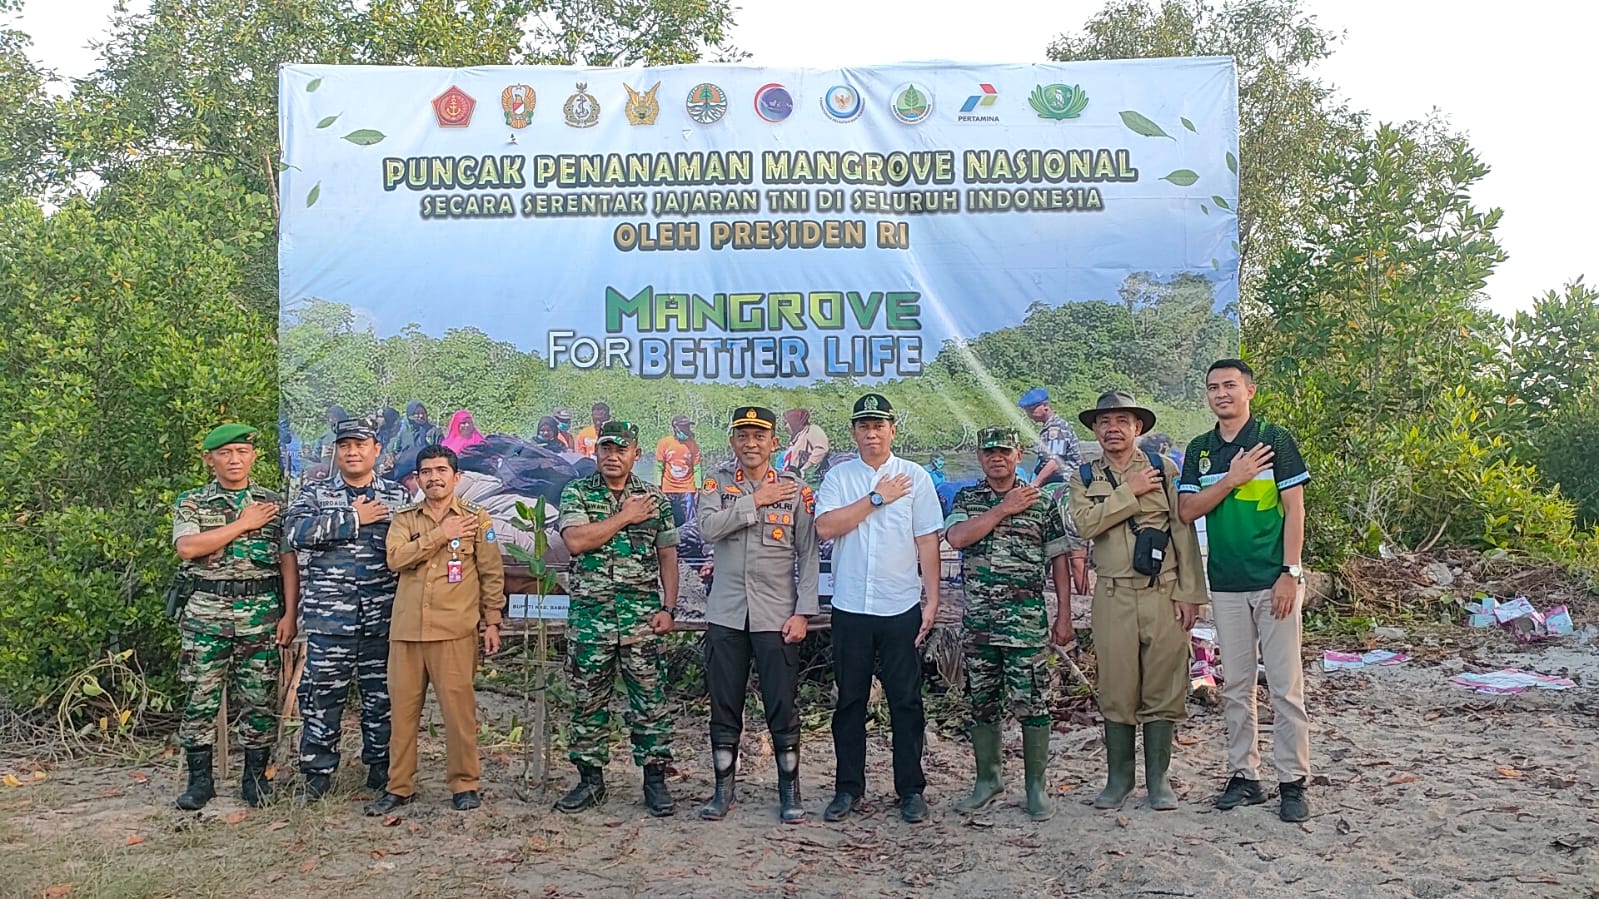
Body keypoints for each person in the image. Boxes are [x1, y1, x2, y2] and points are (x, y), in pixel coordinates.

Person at [1177, 359, 1312, 823]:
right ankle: (1245, 776)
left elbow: (1295, 511)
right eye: (1213, 386)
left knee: (1284, 687)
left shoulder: (1274, 441)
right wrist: (1232, 479)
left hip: (1272, 581)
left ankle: (1293, 782)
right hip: (1227, 585)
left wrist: (1290, 573)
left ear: (1250, 390)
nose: (1221, 393)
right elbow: (1187, 510)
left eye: (1230, 385)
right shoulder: (1200, 450)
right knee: (1235, 686)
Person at [1067, 391, 1205, 812]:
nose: (1113, 428)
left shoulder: (1163, 469)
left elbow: (1181, 530)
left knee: (1165, 681)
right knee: (1117, 685)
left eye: (1122, 421)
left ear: (1137, 428)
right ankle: (1119, 779)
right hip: (1112, 594)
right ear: (1094, 429)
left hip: (1163, 593)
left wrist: (1190, 593)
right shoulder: (1085, 476)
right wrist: (1127, 490)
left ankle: (1158, 780)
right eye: (1105, 421)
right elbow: (1086, 524)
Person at [944, 427, 1086, 822]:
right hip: (980, 625)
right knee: (982, 704)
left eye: (1004, 451)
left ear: (1018, 454)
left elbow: (1059, 558)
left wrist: (1063, 614)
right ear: (980, 456)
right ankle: (988, 780)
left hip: (1025, 625)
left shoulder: (1041, 503)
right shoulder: (967, 498)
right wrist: (1003, 509)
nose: (996, 458)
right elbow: (956, 537)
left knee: (1032, 703)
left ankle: (1035, 788)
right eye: (989, 452)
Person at [815, 394, 942, 824]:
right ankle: (848, 788)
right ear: (853, 431)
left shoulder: (915, 476)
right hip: (851, 606)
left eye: (879, 426)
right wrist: (875, 498)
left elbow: (927, 539)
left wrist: (933, 598)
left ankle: (910, 789)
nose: (871, 433)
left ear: (892, 430)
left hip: (900, 605)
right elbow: (826, 527)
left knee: (905, 701)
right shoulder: (839, 476)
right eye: (864, 426)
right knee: (849, 701)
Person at [695, 406, 819, 824]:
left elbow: (808, 553)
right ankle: (722, 790)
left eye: (759, 436)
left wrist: (804, 612)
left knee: (781, 706)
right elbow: (709, 530)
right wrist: (754, 501)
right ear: (732, 441)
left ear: (774, 443)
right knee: (724, 705)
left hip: (776, 615)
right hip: (727, 613)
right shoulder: (717, 483)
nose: (751, 444)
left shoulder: (795, 489)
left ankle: (789, 790)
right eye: (742, 436)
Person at [367, 445, 506, 816]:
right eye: (426, 471)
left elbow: (492, 574)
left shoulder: (478, 519)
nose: (434, 477)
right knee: (402, 714)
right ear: (417, 478)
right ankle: (399, 786)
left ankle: (464, 784)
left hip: (454, 630)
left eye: (442, 470)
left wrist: (491, 620)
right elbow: (395, 559)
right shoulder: (405, 518)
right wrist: (440, 534)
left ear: (456, 477)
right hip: (407, 632)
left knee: (459, 714)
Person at [554, 420, 681, 817]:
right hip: (591, 621)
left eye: (621, 449)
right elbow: (575, 541)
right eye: (606, 449)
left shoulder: (655, 499)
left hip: (642, 620)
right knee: (588, 703)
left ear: (635, 454)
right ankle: (591, 781)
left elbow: (668, 556)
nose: (612, 456)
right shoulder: (577, 492)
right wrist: (624, 517)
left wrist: (669, 608)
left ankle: (655, 782)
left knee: (650, 703)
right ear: (596, 453)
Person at [170, 423, 300, 810]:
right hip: (206, 617)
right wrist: (243, 523)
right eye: (225, 453)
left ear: (253, 456)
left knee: (259, 701)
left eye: (242, 452)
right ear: (210, 459)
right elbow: (188, 547)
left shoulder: (272, 503)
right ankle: (200, 782)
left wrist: (290, 614)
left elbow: (287, 562)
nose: (234, 460)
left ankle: (255, 780)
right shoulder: (192, 502)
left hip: (260, 615)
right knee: (200, 699)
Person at [286, 418, 413, 799]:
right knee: (322, 695)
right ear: (335, 451)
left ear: (377, 450)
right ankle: (318, 772)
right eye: (345, 446)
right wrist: (353, 518)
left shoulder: (397, 498)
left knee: (382, 696)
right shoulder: (315, 493)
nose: (352, 452)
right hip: (330, 618)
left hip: (383, 616)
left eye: (360, 445)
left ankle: (380, 768)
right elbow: (295, 534)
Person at [1017, 388, 1082, 487]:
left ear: (1045, 406)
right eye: (1027, 411)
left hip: (1066, 482)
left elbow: (1055, 462)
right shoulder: (1048, 428)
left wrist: (1034, 485)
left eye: (1032, 410)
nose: (1029, 415)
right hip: (1055, 481)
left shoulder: (1057, 428)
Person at [656, 414, 701, 527]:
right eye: (683, 427)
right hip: (668, 487)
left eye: (687, 427)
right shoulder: (664, 443)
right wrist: (658, 485)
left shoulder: (692, 444)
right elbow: (659, 466)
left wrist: (698, 488)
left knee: (690, 518)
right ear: (675, 427)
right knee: (668, 516)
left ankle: (691, 539)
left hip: (687, 487)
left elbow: (696, 467)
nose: (686, 429)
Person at [781, 408, 829, 481]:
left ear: (794, 422)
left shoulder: (812, 430)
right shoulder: (797, 436)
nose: (785, 427)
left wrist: (806, 468)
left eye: (786, 423)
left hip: (814, 477)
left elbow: (821, 449)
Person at [305, 405, 347, 470]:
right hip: (326, 472)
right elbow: (317, 457)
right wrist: (308, 456)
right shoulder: (324, 437)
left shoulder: (353, 434)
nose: (331, 420)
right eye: (329, 418)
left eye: (334, 418)